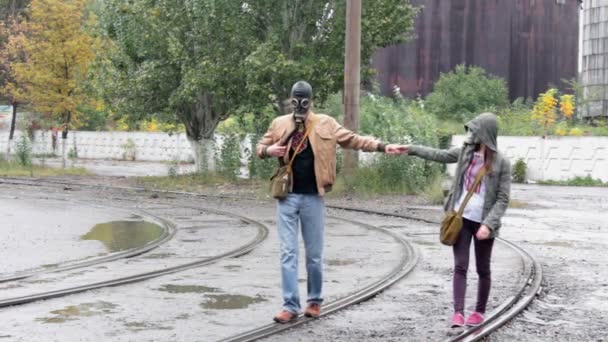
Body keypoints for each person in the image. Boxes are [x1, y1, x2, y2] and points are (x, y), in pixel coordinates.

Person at [256, 80, 404, 323]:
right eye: (296, 100)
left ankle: (314, 301)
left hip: (314, 197)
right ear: (290, 101)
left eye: (304, 100)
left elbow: (354, 140)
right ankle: (290, 305)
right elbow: (260, 146)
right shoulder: (279, 124)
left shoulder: (326, 123)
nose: (300, 105)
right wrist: (268, 151)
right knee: (288, 252)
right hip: (287, 197)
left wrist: (383, 146)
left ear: (311, 101)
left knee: (314, 254)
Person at [401, 113, 511, 328]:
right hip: (461, 219)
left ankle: (479, 312)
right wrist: (410, 149)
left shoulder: (502, 163)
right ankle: (458, 313)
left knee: (483, 269)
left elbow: (503, 198)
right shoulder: (465, 153)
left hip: (483, 224)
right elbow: (439, 154)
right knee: (460, 267)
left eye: (475, 130)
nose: (471, 134)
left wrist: (488, 224)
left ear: (485, 133)